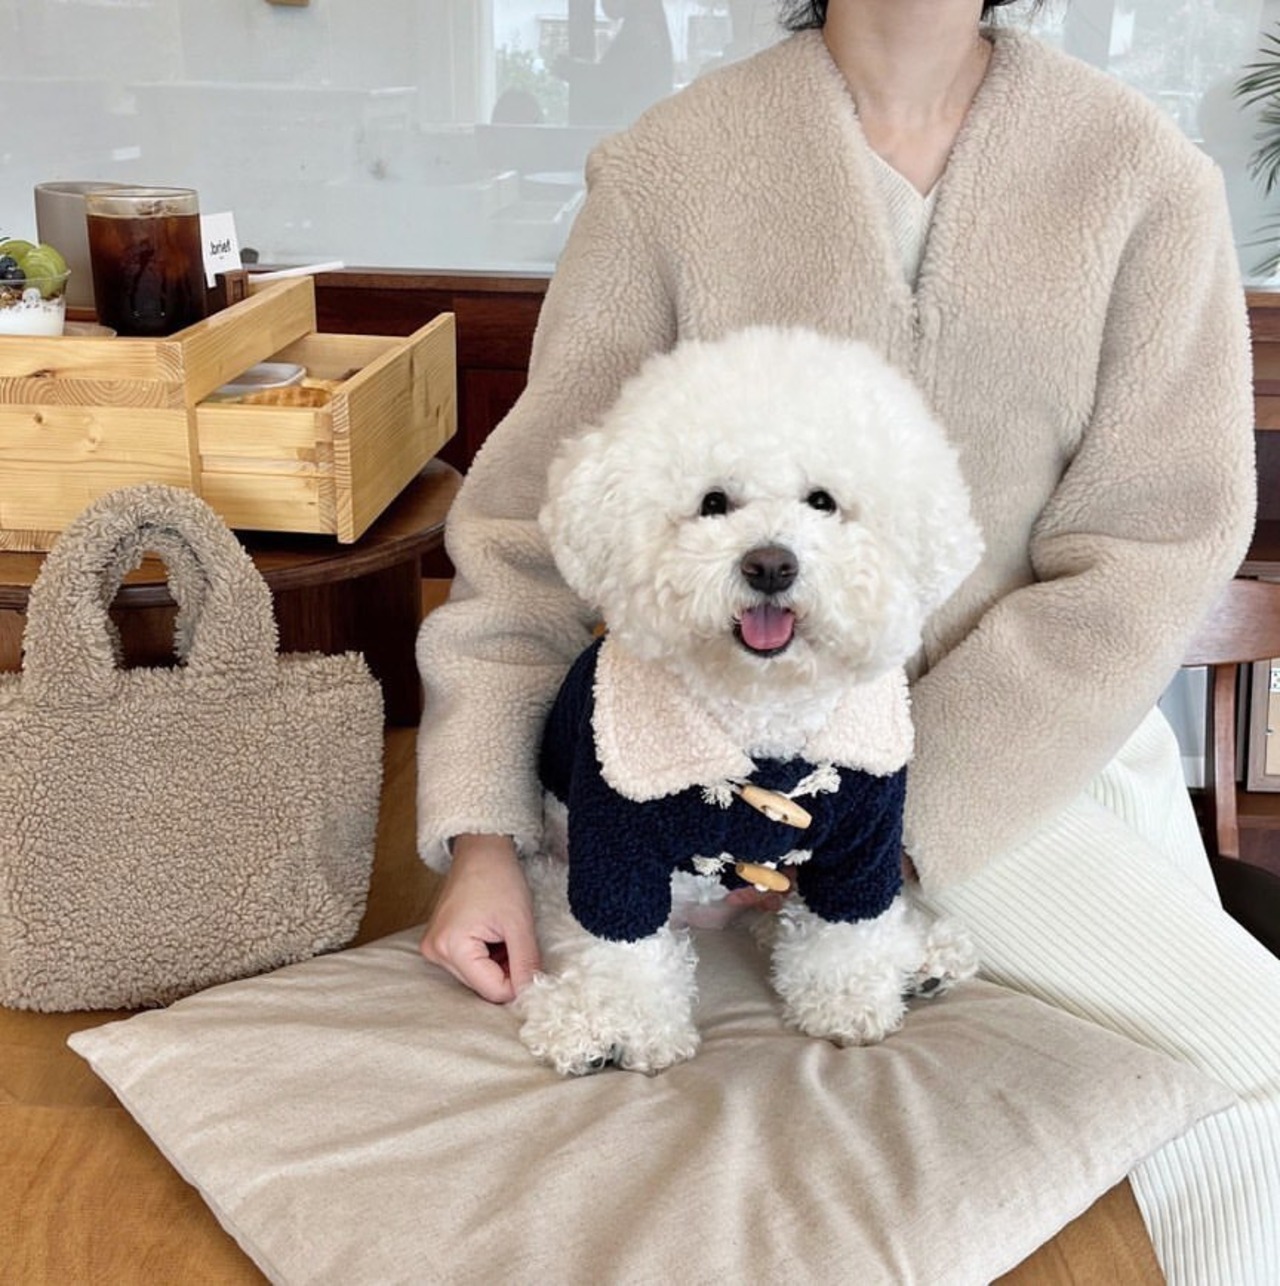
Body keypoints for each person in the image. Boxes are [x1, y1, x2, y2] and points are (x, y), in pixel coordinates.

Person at [416, 2, 1280, 1281]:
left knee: (1250, 1073)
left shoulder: (1142, 178)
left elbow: (1155, 543)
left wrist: (882, 817)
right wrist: (484, 831)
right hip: (694, 760)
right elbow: (527, 530)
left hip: (1030, 765)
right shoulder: (668, 169)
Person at [554, 0, 674, 127]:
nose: (603, 3)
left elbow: (614, 80)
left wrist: (575, 71)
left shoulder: (641, 30)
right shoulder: (645, 25)